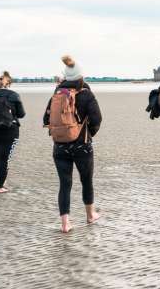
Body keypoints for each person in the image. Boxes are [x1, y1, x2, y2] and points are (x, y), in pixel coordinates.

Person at [43, 56, 103, 233]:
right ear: (81, 77)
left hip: (59, 146)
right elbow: (97, 119)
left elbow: (46, 119)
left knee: (64, 184)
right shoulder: (86, 94)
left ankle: (65, 223)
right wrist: (87, 133)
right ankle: (90, 215)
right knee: (86, 180)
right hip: (82, 145)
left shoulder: (56, 94)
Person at [0, 71, 26, 193]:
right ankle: (0, 186)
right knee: (4, 158)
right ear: (9, 83)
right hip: (10, 130)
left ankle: (1, 181)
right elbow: (22, 114)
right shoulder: (14, 95)